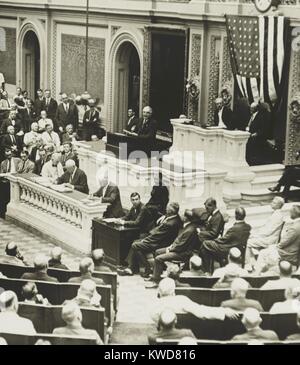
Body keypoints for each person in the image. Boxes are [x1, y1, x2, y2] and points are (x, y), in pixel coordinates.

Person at [145, 209, 207, 288]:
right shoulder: (188, 226)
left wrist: (170, 249)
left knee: (158, 258)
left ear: (186, 218)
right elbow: (179, 241)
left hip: (182, 253)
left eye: (183, 215)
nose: (181, 216)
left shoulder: (190, 229)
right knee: (157, 252)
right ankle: (157, 275)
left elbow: (181, 246)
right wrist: (171, 246)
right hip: (177, 249)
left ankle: (156, 282)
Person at [119, 202, 182, 278]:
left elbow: (157, 236)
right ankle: (132, 268)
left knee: (135, 245)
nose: (165, 209)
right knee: (136, 243)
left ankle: (146, 267)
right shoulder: (175, 218)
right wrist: (165, 216)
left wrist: (145, 240)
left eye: (167, 208)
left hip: (160, 243)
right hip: (161, 240)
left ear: (170, 211)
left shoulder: (169, 224)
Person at [150, 278, 238, 324]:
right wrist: (223, 311)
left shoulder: (154, 306)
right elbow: (202, 312)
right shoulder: (181, 300)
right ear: (173, 291)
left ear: (159, 291)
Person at [199, 207, 251, 273]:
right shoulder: (248, 227)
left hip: (227, 248)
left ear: (236, 216)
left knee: (205, 244)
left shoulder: (234, 229)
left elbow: (224, 240)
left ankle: (207, 271)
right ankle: (208, 270)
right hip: (237, 247)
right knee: (207, 246)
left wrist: (214, 240)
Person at [245, 197, 285, 269]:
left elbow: (268, 231)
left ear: (278, 205)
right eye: (272, 201)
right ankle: (253, 262)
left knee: (248, 242)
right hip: (268, 236)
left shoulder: (277, 216)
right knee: (250, 238)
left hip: (270, 239)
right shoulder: (275, 214)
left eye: (274, 202)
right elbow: (265, 228)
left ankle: (248, 265)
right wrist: (255, 233)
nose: (271, 203)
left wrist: (255, 235)